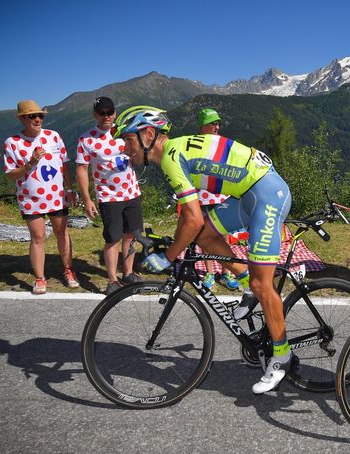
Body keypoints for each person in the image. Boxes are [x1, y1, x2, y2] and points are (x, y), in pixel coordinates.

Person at [113, 106, 294, 394]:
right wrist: (170, 243)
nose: (125, 150)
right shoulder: (173, 153)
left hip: (267, 194)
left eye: (127, 141)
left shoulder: (171, 158)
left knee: (264, 284)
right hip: (250, 193)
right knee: (206, 235)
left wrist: (170, 255)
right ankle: (247, 280)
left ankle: (282, 356)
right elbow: (191, 220)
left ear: (148, 135)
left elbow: (193, 217)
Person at [4, 100, 79, 294]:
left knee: (62, 233)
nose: (38, 119)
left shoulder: (54, 136)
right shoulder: (13, 142)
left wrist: (70, 189)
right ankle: (40, 278)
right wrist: (30, 163)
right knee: (37, 237)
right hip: (31, 199)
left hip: (57, 195)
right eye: (32, 116)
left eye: (41, 116)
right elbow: (10, 173)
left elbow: (64, 164)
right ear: (22, 119)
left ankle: (69, 271)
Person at [76, 97, 143, 295]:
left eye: (109, 112)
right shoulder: (86, 139)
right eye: (101, 113)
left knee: (132, 235)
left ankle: (128, 273)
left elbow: (139, 157)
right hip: (108, 197)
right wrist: (87, 199)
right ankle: (113, 280)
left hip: (132, 193)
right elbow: (81, 169)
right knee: (113, 238)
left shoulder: (126, 133)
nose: (106, 116)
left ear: (114, 113)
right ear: (95, 115)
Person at [196, 108, 239, 292]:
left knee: (224, 236)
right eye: (212, 123)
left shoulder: (224, 142)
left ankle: (227, 272)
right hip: (203, 197)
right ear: (203, 126)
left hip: (221, 195)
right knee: (206, 237)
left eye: (218, 123)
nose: (216, 126)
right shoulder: (196, 144)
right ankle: (210, 273)